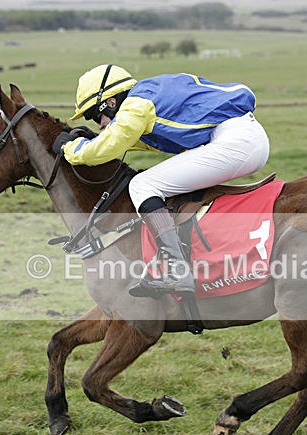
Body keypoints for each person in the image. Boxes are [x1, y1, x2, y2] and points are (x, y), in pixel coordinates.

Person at [53, 64, 270, 298]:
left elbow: (106, 149)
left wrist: (69, 148)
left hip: (234, 143)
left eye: (96, 115)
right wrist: (97, 138)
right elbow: (134, 139)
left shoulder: (136, 105)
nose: (99, 123)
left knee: (142, 185)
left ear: (110, 102)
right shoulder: (149, 93)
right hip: (242, 136)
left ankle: (177, 270)